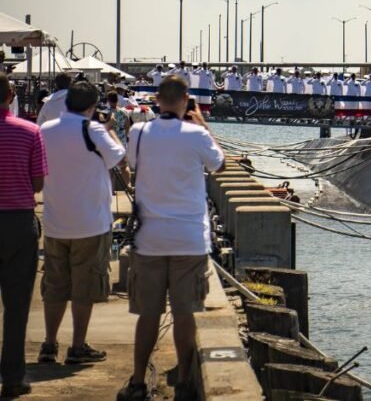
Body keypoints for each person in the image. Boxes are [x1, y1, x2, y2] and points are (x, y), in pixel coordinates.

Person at [118, 76, 225, 401]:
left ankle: (138, 381)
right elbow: (218, 164)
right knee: (184, 314)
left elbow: (131, 163)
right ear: (185, 100)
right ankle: (185, 382)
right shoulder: (196, 135)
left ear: (157, 100)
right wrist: (202, 123)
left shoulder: (139, 133)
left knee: (148, 314)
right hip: (189, 238)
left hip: (149, 238)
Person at [38, 81, 125, 366]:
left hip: (54, 222)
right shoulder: (94, 130)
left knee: (54, 286)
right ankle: (77, 346)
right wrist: (110, 127)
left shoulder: (44, 131)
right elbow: (117, 157)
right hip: (90, 222)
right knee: (84, 288)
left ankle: (49, 344)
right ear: (91, 105)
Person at [0, 72, 48, 398]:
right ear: (11, 94)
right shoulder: (30, 132)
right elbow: (38, 184)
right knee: (16, 307)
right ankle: (13, 378)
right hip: (17, 223)